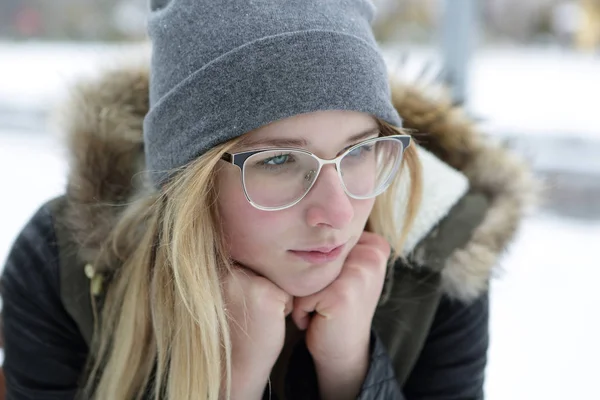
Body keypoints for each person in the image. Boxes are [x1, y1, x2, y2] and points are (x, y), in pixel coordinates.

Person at [0, 0, 536, 399]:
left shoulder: (439, 257)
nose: (338, 212)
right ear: (190, 181)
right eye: (279, 161)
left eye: (358, 152)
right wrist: (233, 384)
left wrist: (353, 373)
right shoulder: (67, 266)